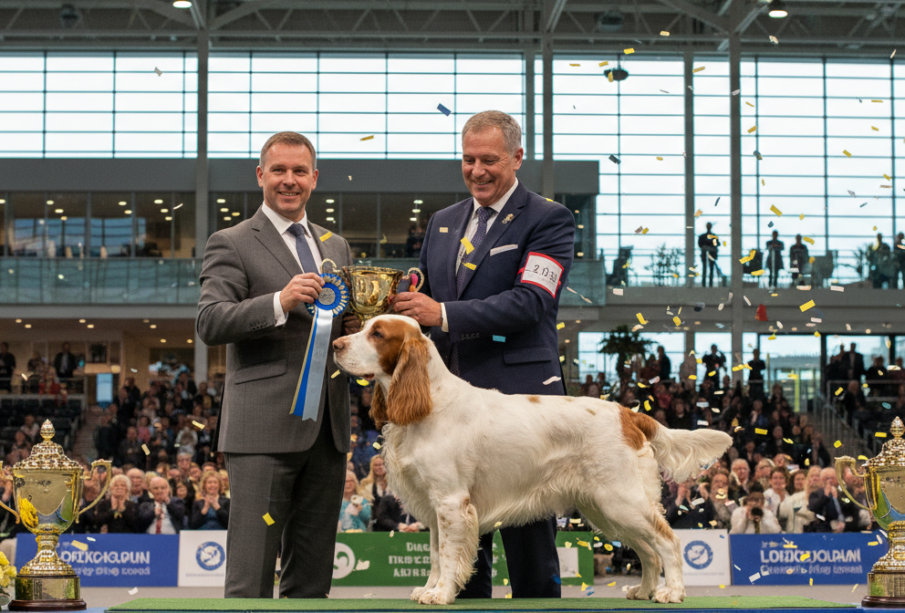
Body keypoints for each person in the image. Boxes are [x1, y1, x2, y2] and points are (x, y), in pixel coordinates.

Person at [392, 110, 574, 600]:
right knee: (457, 534)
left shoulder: (549, 218)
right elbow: (426, 298)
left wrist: (442, 313)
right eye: (469, 160)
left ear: (517, 157)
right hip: (450, 406)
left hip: (522, 403)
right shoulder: (442, 222)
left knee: (530, 548)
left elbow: (533, 301)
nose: (477, 170)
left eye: (489, 159)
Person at [197, 131, 358, 599]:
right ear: (261, 175)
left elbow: (340, 327)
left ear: (314, 178)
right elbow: (210, 321)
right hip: (261, 431)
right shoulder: (230, 241)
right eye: (279, 171)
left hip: (328, 431)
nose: (289, 181)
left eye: (299, 171)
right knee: (250, 581)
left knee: (311, 583)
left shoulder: (337, 246)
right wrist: (279, 301)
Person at [698, 222, 718, 287]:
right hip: (706, 254)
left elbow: (717, 244)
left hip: (711, 254)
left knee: (710, 269)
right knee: (705, 268)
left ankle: (710, 284)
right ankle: (704, 284)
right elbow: (700, 244)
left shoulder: (712, 236)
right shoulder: (704, 236)